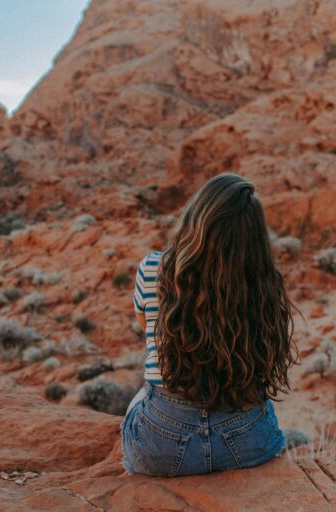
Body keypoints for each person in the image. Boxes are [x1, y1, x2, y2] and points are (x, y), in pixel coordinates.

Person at [120, 173, 298, 477]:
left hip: (162, 443)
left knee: (141, 394)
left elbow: (147, 327)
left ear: (195, 219)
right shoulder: (262, 283)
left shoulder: (153, 269)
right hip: (247, 440)